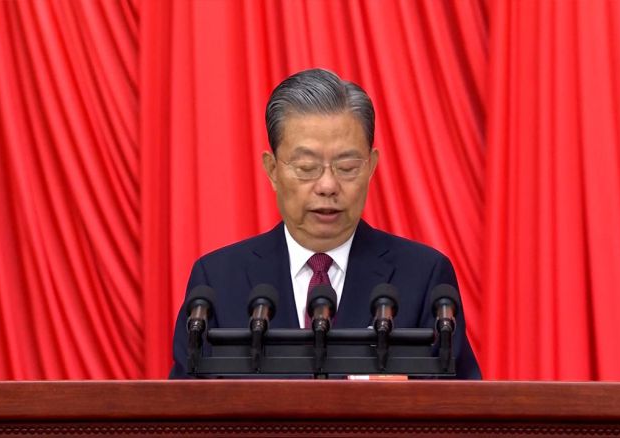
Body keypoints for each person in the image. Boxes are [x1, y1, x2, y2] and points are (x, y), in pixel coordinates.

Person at [169, 68, 481, 379]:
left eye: (347, 167)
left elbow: (459, 401)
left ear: (371, 166)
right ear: (272, 169)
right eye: (307, 167)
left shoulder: (423, 276)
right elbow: (182, 404)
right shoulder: (217, 281)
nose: (328, 186)